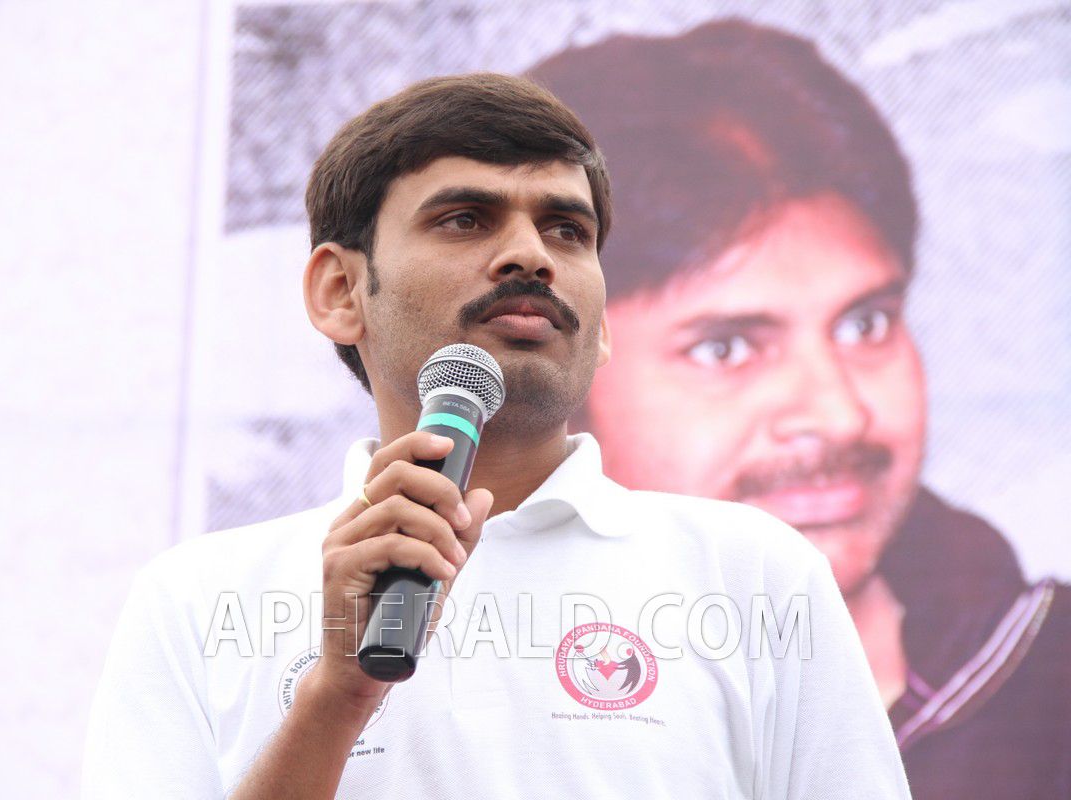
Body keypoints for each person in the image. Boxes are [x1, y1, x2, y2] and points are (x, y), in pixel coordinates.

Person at [82, 72, 910, 798]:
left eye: (566, 231)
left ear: (603, 322)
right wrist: (336, 695)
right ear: (341, 290)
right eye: (465, 219)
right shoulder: (197, 602)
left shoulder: (754, 573)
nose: (529, 256)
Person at [528, 20, 1071, 800]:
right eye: (727, 348)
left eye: (865, 324)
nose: (842, 412)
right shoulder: (431, 721)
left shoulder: (1051, 696)